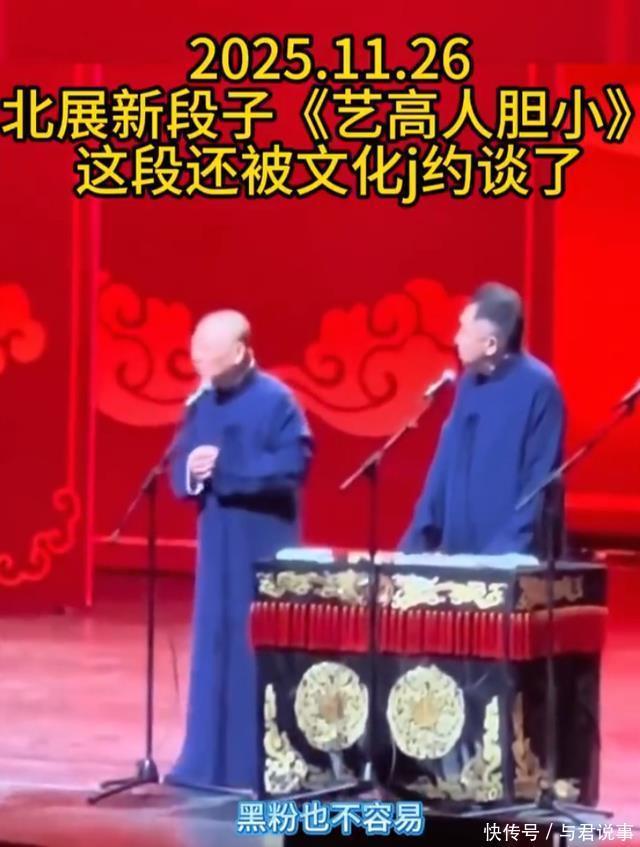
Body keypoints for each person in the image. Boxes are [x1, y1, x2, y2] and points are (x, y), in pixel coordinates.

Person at [166, 309, 313, 793]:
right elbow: (178, 464)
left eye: (207, 350)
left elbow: (293, 465)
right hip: (217, 546)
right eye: (195, 349)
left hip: (262, 543)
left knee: (254, 652)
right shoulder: (202, 403)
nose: (197, 359)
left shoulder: (277, 400)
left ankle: (257, 764)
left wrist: (226, 466)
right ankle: (207, 763)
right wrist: (192, 470)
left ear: (238, 351)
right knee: (215, 646)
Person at [400, 282, 565, 556]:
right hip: (459, 559)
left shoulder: (540, 388)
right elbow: (442, 470)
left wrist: (498, 561)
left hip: (508, 562)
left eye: (464, 330)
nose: (456, 339)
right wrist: (412, 548)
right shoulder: (469, 383)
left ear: (490, 344)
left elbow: (539, 486)